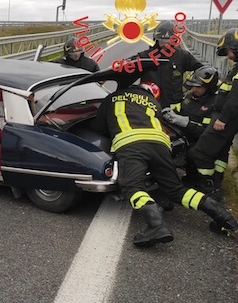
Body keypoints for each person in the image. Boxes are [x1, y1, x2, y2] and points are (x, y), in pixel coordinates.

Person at [92, 81, 238, 247]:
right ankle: (227, 221)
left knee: (131, 187)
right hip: (160, 144)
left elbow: (98, 128)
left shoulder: (112, 98)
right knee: (176, 190)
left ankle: (156, 226)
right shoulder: (153, 101)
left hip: (131, 143)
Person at [189, 28, 238, 197]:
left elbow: (235, 98)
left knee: (200, 152)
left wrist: (223, 119)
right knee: (221, 152)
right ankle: (217, 182)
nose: (229, 56)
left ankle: (207, 187)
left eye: (229, 51)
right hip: (229, 118)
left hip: (226, 118)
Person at [137, 20, 203, 108]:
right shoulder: (144, 57)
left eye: (169, 41)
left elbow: (202, 70)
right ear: (156, 40)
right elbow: (125, 70)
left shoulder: (182, 56)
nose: (166, 44)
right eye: (162, 41)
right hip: (149, 106)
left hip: (174, 109)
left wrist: (190, 86)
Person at [161, 66, 219, 147]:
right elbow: (180, 109)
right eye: (193, 86)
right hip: (179, 137)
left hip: (196, 145)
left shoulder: (214, 104)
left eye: (198, 87)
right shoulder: (190, 96)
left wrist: (186, 123)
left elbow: (205, 131)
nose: (194, 89)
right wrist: (170, 113)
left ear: (209, 87)